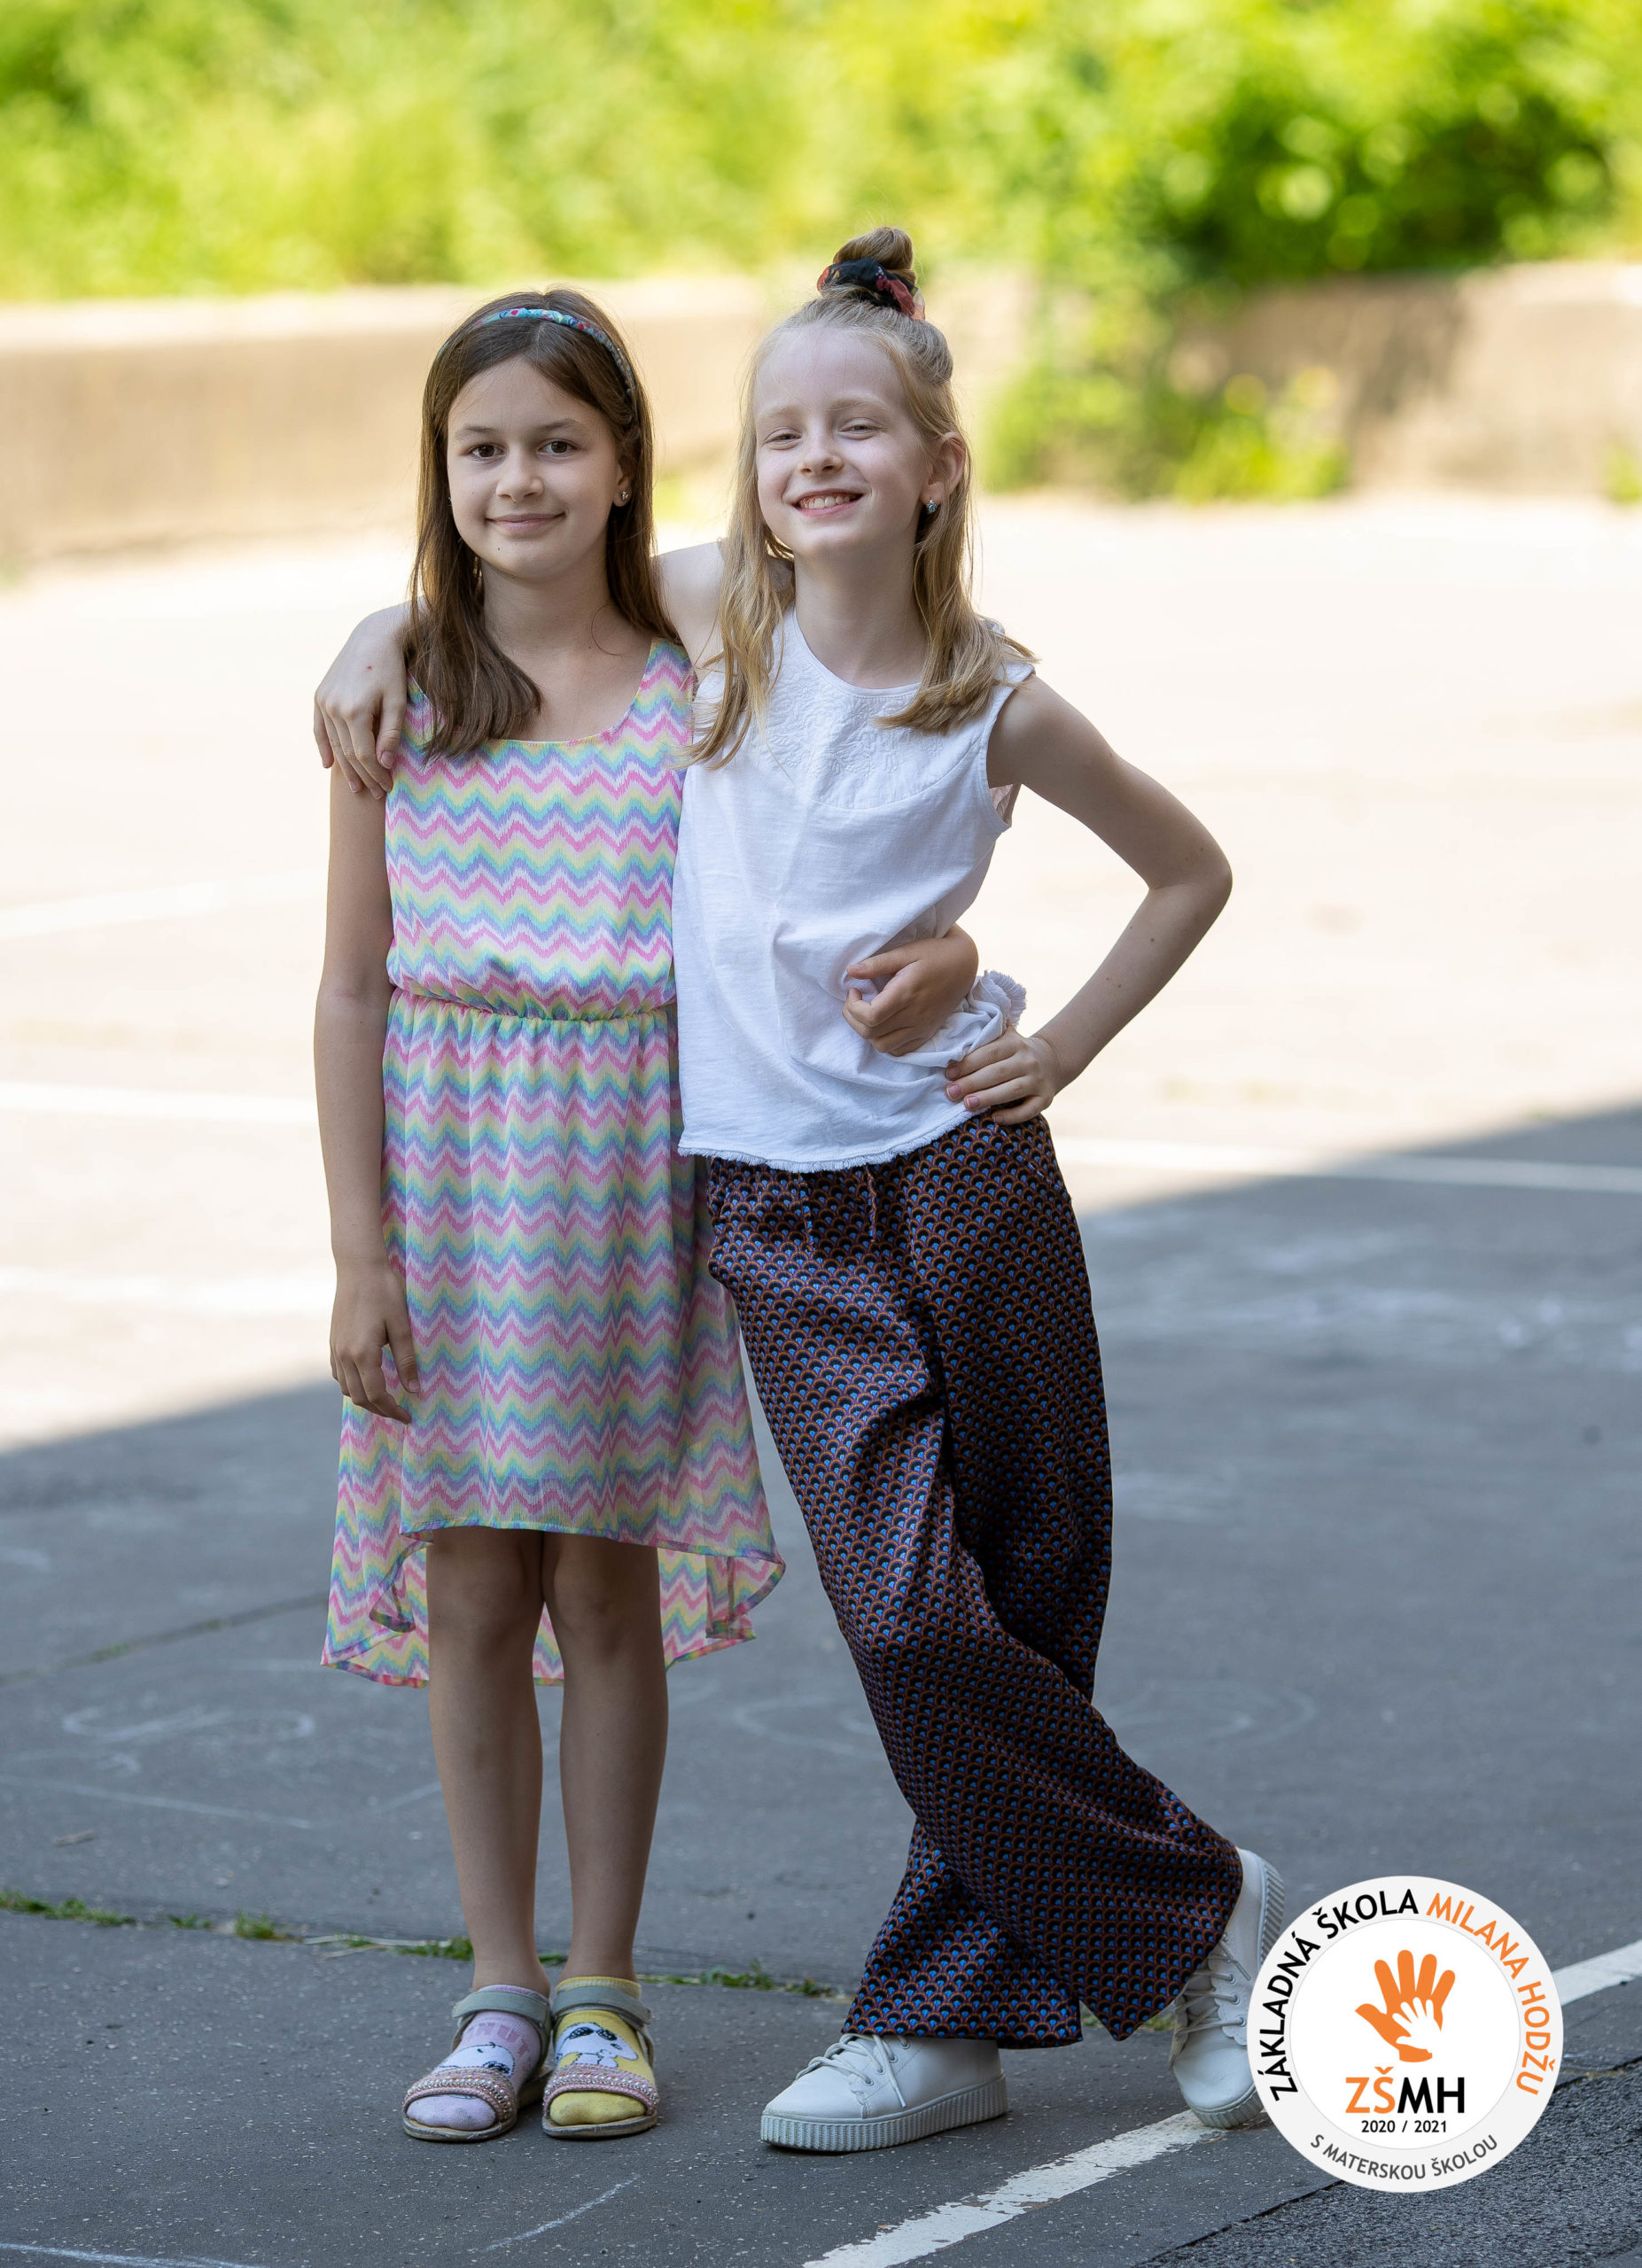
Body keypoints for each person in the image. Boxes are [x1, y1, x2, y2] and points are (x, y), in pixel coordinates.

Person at [314, 231, 1284, 2155]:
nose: (816, 458)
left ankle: (945, 2015)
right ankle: (1193, 1910)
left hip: (951, 1170)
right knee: (911, 1621)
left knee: (1015, 1599)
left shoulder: (930, 679)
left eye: (857, 426)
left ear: (940, 463)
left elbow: (1157, 863)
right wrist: (370, 627)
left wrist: (1033, 1019)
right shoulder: (712, 625)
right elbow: (512, 580)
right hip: (756, 1204)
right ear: (739, 469)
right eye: (781, 433)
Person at [314, 284, 985, 2148]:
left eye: (558, 443)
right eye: (480, 449)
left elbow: (854, 818)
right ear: (437, 471)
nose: (517, 480)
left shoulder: (707, 668)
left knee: (601, 1584)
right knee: (471, 1583)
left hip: (628, 1182)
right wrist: (361, 1250)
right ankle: (498, 1988)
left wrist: (953, 946)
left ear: (626, 467)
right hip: (448, 1181)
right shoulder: (397, 700)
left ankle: (604, 1982)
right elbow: (350, 987)